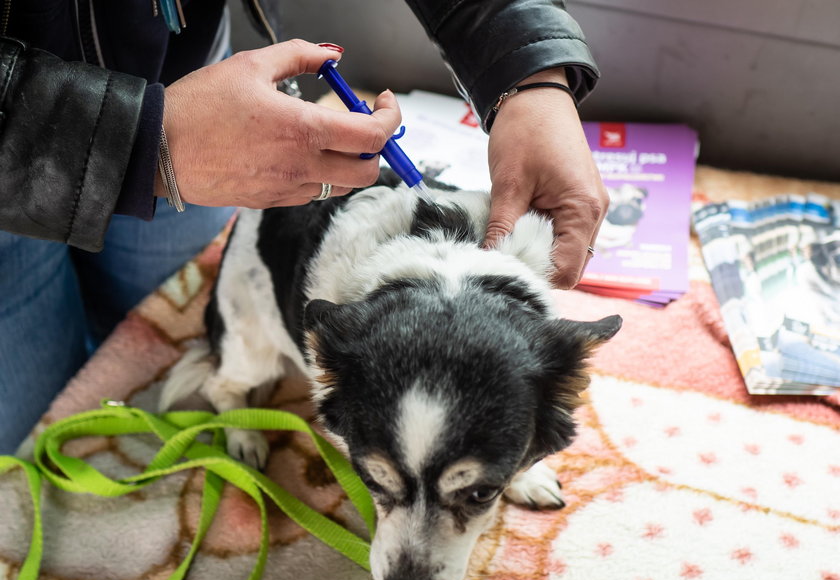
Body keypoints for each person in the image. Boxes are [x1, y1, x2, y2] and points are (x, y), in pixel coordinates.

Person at [0, 0, 608, 452]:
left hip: (178, 57)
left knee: (134, 319)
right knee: (33, 420)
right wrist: (140, 142)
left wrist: (533, 76)